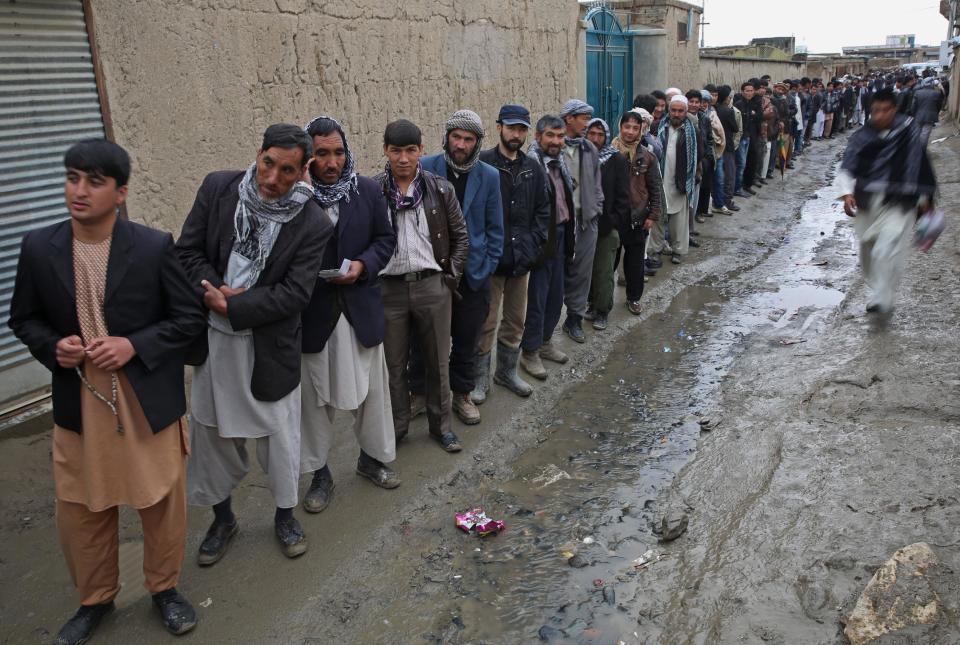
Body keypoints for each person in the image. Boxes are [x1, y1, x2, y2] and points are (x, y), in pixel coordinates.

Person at [9, 139, 205, 643]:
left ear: (120, 192)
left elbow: (188, 320)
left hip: (145, 398)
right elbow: (23, 319)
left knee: (161, 501)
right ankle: (95, 600)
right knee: (82, 507)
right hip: (80, 400)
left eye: (94, 181)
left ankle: (165, 589)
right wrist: (56, 347)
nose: (79, 190)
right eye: (73, 177)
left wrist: (133, 345)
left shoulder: (152, 246)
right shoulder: (38, 247)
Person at [177, 124, 334, 562]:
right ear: (259, 154)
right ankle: (222, 518)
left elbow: (296, 294)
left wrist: (237, 307)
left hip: (269, 347)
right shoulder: (218, 188)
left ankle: (285, 515)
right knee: (211, 435)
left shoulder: (312, 222)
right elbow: (186, 252)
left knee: (280, 438)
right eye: (268, 163)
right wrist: (213, 291)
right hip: (213, 342)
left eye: (287, 171)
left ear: (303, 171)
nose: (272, 179)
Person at [298, 115, 399, 514]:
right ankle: (319, 474)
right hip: (314, 315)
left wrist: (361, 266)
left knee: (372, 394)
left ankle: (372, 459)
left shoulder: (368, 191)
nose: (332, 162)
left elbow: (385, 239)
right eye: (321, 153)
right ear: (309, 156)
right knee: (313, 401)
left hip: (359, 308)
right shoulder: (294, 198)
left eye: (338, 152)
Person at [375, 119, 469, 451]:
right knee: (394, 365)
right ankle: (398, 427)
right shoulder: (373, 192)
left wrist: (449, 279)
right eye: (396, 150)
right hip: (389, 291)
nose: (403, 158)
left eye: (410, 150)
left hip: (433, 287)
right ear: (385, 150)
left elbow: (461, 238)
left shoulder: (440, 189)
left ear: (421, 151)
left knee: (437, 362)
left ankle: (441, 427)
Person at [416, 110, 503, 425]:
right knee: (424, 339)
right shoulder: (426, 167)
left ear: (477, 142)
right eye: (456, 137)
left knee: (467, 339)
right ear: (447, 136)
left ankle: (462, 394)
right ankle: (422, 394)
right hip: (432, 272)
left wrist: (485, 269)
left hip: (473, 274)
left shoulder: (490, 176)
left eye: (468, 139)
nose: (461, 144)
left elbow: (495, 230)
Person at [473, 104, 550, 407]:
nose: (516, 134)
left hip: (521, 261)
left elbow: (542, 211)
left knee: (515, 320)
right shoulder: (484, 165)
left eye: (521, 129)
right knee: (485, 322)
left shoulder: (532, 168)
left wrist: (534, 244)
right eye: (511, 128)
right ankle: (480, 379)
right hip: (491, 262)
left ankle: (505, 372)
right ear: (499, 128)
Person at [837, 88, 937, 314]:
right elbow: (848, 164)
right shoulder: (862, 136)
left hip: (900, 202)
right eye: (875, 111)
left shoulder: (908, 132)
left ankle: (882, 297)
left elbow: (920, 166)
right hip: (867, 200)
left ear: (894, 109)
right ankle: (878, 287)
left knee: (887, 247)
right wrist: (846, 192)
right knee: (867, 249)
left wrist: (925, 198)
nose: (879, 115)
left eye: (884, 110)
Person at [520, 115, 576, 380]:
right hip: (543, 239)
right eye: (551, 136)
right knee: (538, 299)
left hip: (563, 235)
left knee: (556, 295)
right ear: (538, 137)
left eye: (560, 136)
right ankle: (529, 352)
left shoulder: (559, 163)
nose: (556, 141)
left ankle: (545, 343)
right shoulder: (531, 166)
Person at [557, 99, 604, 344]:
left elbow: (597, 184)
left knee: (582, 272)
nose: (587, 124)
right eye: (584, 118)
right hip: (559, 223)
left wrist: (596, 208)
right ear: (569, 119)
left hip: (585, 221)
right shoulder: (553, 147)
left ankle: (574, 319)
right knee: (556, 272)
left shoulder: (589, 149)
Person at [584, 117, 630, 331]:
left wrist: (613, 223)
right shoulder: (581, 157)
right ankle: (592, 305)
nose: (595, 139)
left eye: (600, 135)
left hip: (605, 226)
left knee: (603, 271)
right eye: (591, 134)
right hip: (583, 226)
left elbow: (623, 197)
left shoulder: (616, 160)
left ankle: (603, 311)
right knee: (588, 270)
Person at [619, 114, 663, 314]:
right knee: (606, 263)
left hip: (638, 217)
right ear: (620, 127)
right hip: (614, 217)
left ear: (640, 130)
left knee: (635, 264)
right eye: (626, 126)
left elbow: (655, 188)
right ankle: (598, 304)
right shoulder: (609, 153)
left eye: (634, 128)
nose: (630, 131)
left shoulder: (647, 156)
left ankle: (633, 298)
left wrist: (653, 215)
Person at [654, 95, 698, 265]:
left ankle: (677, 250)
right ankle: (655, 250)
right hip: (660, 179)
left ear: (686, 112)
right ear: (669, 111)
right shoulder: (658, 127)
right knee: (657, 217)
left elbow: (697, 153)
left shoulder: (692, 131)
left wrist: (692, 177)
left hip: (680, 181)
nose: (677, 114)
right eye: (673, 110)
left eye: (680, 111)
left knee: (679, 220)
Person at [714, 85, 739, 213]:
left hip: (716, 147)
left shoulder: (714, 109)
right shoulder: (728, 111)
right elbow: (735, 128)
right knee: (729, 175)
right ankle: (727, 201)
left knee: (719, 177)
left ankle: (718, 201)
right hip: (727, 146)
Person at [912, 77, 943, 147]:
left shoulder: (917, 92)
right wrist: (935, 113)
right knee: (925, 135)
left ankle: (916, 149)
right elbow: (939, 106)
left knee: (917, 133)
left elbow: (913, 106)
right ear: (931, 84)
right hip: (930, 117)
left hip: (918, 116)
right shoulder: (937, 93)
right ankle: (922, 151)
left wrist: (914, 115)